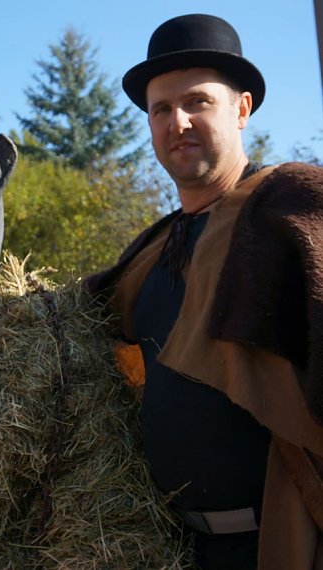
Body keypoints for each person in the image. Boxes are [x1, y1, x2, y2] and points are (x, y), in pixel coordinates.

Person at [87, 14, 323, 569]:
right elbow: (80, 321)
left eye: (198, 102)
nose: (178, 122)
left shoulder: (291, 209)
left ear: (241, 110)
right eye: (161, 109)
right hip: (177, 549)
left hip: (285, 539)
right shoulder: (152, 253)